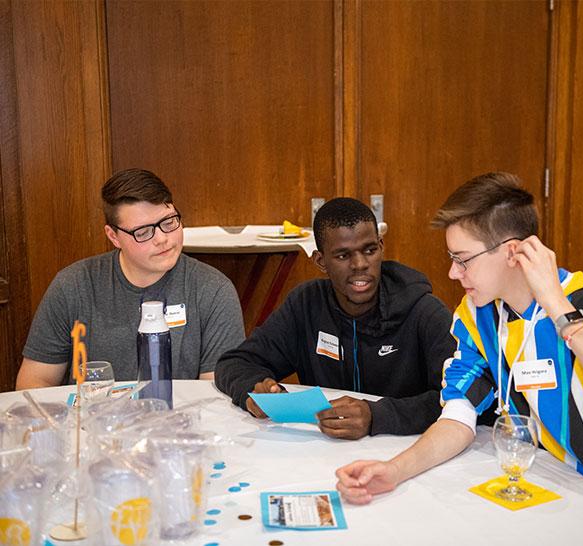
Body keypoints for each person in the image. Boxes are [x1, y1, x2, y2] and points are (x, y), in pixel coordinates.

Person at [335, 172, 583, 545]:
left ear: (513, 252)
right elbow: (457, 418)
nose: (453, 272)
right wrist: (394, 470)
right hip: (556, 509)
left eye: (463, 259)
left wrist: (558, 309)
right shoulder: (477, 317)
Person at [214, 197, 465, 440]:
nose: (360, 264)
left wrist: (378, 416)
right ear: (321, 261)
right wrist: (255, 390)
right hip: (325, 454)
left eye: (369, 250)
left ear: (381, 247)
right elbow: (234, 363)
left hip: (410, 453)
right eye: (343, 255)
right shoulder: (306, 305)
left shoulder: (423, 310)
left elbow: (464, 397)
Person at [17, 168, 245, 388]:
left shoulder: (214, 290)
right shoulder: (73, 285)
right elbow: (36, 382)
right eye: (143, 232)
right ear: (113, 236)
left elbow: (215, 391)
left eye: (169, 222)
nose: (162, 239)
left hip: (175, 422)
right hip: (94, 423)